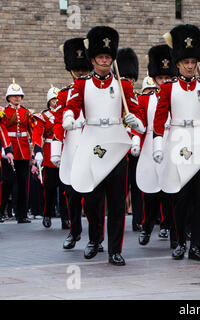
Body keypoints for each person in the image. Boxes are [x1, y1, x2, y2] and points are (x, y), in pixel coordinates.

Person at [63, 26, 145, 266]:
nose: (104, 61)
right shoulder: (81, 84)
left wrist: (136, 121)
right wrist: (68, 117)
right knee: (91, 199)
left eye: (108, 57)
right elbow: (72, 106)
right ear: (93, 59)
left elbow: (138, 114)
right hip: (92, 142)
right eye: (100, 57)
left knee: (118, 202)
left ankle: (114, 250)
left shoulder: (124, 85)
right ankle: (94, 239)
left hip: (117, 143)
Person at [153, 24, 200, 262]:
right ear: (178, 64)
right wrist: (157, 144)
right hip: (178, 141)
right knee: (180, 197)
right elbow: (159, 119)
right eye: (186, 62)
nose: (190, 66)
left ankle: (197, 245)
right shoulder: (167, 89)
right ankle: (178, 242)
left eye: (193, 62)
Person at [51, 37, 106, 251]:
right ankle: (74, 231)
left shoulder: (97, 88)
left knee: (95, 198)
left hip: (93, 147)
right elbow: (57, 123)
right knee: (73, 195)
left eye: (84, 71)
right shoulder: (64, 94)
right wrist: (57, 149)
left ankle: (97, 237)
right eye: (77, 71)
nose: (81, 74)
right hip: (73, 147)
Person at [136, 44, 177, 249]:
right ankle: (147, 226)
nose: (165, 82)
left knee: (172, 191)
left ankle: (169, 226)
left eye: (168, 78)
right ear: (154, 80)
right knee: (151, 192)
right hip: (152, 146)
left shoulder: (178, 95)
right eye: (161, 79)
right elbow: (141, 124)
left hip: (173, 144)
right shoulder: (145, 99)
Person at [32, 86, 70, 229]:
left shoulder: (66, 114)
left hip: (64, 152)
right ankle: (47, 214)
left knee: (65, 189)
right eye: (53, 100)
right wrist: (38, 150)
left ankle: (65, 218)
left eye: (57, 99)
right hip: (49, 154)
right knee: (49, 189)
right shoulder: (44, 116)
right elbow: (37, 134)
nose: (55, 102)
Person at [116, 47, 144, 232]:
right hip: (119, 145)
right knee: (119, 188)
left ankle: (138, 220)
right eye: (126, 78)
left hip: (134, 146)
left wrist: (136, 138)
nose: (129, 82)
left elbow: (141, 120)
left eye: (131, 79)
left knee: (137, 185)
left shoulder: (136, 97)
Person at [0, 80, 34, 223]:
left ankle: (22, 214)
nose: (17, 98)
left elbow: (31, 130)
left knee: (23, 183)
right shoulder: (4, 112)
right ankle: (1, 211)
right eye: (14, 96)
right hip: (10, 150)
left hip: (24, 151)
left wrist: (34, 149)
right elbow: (2, 130)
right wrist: (7, 149)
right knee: (8, 182)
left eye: (19, 95)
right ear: (8, 97)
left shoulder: (25, 112)